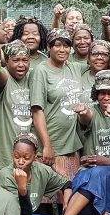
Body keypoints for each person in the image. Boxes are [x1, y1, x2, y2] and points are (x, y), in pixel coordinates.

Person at [0, 132, 71, 215]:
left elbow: (67, 184)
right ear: (12, 154)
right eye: (16, 156)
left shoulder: (41, 170)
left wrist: (67, 204)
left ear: (35, 156)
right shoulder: (6, 176)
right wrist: (22, 189)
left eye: (26, 157)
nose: (20, 161)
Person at [30, 28, 85, 183]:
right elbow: (37, 110)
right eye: (58, 45)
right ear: (49, 47)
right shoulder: (41, 71)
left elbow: (99, 63)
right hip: (51, 145)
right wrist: (47, 145)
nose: (63, 49)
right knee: (48, 198)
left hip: (71, 146)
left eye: (67, 46)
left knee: (69, 194)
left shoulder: (74, 67)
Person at [0, 40, 33, 171]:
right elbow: (1, 79)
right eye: (16, 60)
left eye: (25, 60)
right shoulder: (1, 76)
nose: (21, 65)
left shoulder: (32, 79)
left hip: (22, 160)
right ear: (7, 61)